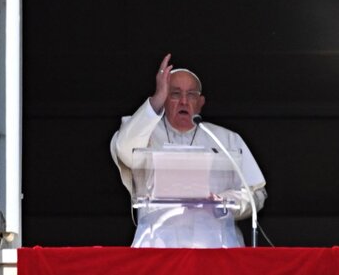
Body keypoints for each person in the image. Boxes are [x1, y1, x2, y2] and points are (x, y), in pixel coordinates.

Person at [110, 53, 267, 248]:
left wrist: (225, 201)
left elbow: (255, 193)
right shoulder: (145, 132)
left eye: (191, 95)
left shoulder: (226, 139)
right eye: (175, 93)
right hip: (158, 243)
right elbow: (125, 151)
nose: (184, 101)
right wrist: (157, 98)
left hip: (216, 245)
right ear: (165, 98)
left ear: (200, 102)